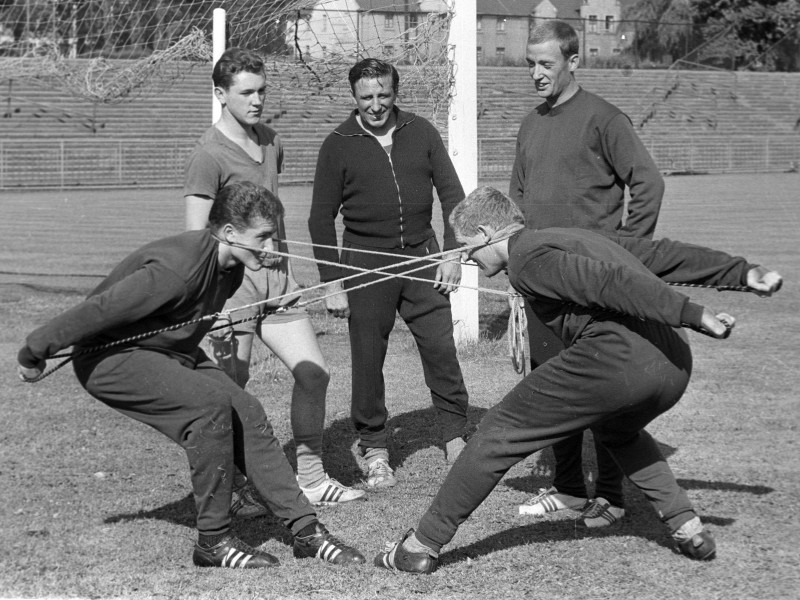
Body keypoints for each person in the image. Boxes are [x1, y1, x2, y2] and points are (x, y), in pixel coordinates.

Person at [373, 186, 783, 573]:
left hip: (618, 361)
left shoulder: (528, 258)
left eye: (465, 246)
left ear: (483, 233)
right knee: (617, 429)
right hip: (672, 363)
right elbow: (659, 255)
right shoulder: (567, 236)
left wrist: (692, 313)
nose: (466, 258)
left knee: (497, 431)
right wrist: (742, 272)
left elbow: (610, 283)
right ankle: (687, 526)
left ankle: (419, 546)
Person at [17, 182, 366, 569]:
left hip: (168, 352)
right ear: (230, 233)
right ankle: (213, 543)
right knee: (209, 409)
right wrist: (35, 350)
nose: (271, 248)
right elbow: (98, 311)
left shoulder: (231, 266)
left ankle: (306, 531)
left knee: (246, 408)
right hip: (110, 359)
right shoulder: (176, 270)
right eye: (263, 237)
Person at [184, 47, 365, 511]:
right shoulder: (208, 154)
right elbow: (195, 237)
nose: (257, 99)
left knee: (314, 373)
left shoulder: (271, 141)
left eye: (262, 90)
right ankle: (233, 486)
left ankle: (310, 477)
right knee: (231, 392)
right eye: (246, 92)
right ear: (222, 94)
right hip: (233, 292)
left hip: (279, 284)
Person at [509, 19, 666, 526]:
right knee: (554, 386)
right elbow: (518, 202)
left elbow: (648, 182)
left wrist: (624, 252)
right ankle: (570, 488)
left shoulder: (604, 118)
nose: (536, 73)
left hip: (594, 282)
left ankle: (614, 496)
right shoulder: (531, 124)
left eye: (546, 63)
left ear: (573, 62)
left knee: (605, 387)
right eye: (530, 63)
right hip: (544, 283)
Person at [308, 58, 470, 489]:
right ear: (354, 98)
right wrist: (332, 282)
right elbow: (320, 220)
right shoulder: (337, 144)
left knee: (440, 347)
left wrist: (451, 254)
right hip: (365, 262)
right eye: (366, 98)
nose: (376, 106)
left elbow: (453, 195)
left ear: (395, 93)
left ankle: (455, 434)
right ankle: (375, 446)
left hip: (422, 256)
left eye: (383, 95)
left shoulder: (421, 131)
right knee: (367, 357)